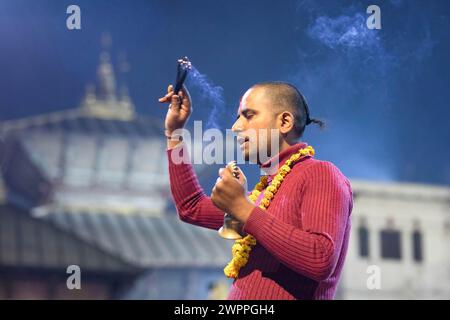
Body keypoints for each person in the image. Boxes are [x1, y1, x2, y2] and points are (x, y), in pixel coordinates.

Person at [159, 81, 353, 300]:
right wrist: (174, 133)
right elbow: (190, 207)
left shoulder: (321, 174)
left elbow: (320, 258)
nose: (236, 127)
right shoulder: (263, 194)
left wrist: (242, 208)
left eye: (249, 115)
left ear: (284, 122)